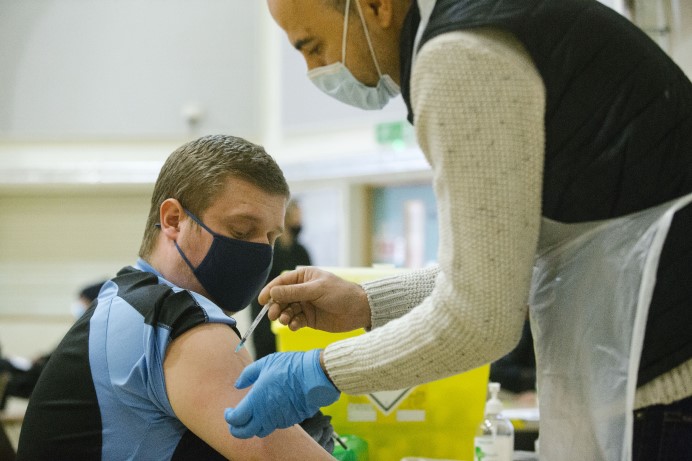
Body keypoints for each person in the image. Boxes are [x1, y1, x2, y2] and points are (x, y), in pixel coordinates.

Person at [225, 1, 692, 459]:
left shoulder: (459, 54)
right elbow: (508, 267)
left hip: (663, 387)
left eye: (313, 45)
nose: (314, 69)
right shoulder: (492, 20)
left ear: (376, 7)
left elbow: (480, 319)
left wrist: (320, 369)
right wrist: (366, 302)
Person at [16, 135, 335, 460]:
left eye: (270, 237)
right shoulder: (175, 321)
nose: (259, 251)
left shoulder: (125, 298)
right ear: (172, 220)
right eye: (241, 231)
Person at [0, 280, 106, 408]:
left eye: (82, 299)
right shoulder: (82, 328)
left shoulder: (91, 331)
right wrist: (42, 358)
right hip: (46, 375)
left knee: (8, 372)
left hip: (54, 380)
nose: (78, 304)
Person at [250, 199, 313, 359]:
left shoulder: (301, 251)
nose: (299, 221)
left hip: (291, 313)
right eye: (296, 216)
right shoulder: (269, 249)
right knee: (266, 357)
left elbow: (309, 280)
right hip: (264, 313)